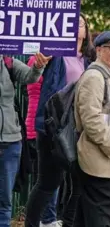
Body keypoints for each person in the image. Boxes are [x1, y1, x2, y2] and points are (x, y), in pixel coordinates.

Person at [25, 9, 95, 227]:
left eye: (81, 22)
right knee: (48, 183)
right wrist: (63, 5)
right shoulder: (56, 53)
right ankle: (32, 223)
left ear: (87, 31)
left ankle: (67, 222)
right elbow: (42, 57)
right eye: (72, 21)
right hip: (53, 127)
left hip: (79, 129)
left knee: (80, 183)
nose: (77, 25)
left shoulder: (90, 58)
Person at [73, 31, 110, 226]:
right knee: (102, 219)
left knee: (87, 218)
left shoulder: (109, 76)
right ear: (98, 50)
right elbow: (91, 120)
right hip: (99, 163)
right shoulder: (95, 77)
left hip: (105, 162)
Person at [0, 52, 49, 227]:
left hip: (10, 142)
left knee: (4, 201)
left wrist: (38, 66)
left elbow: (31, 77)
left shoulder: (8, 62)